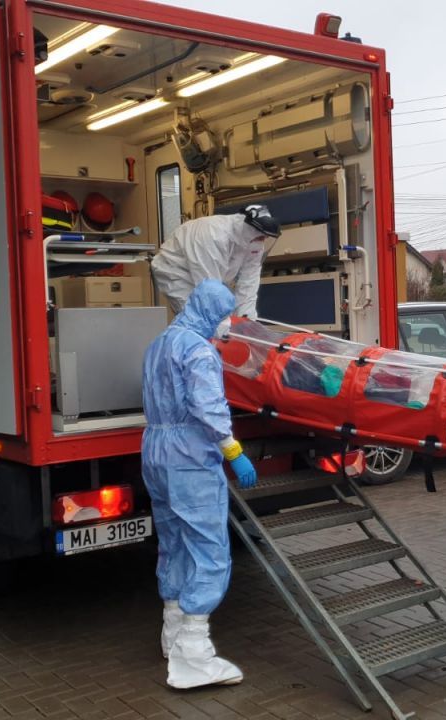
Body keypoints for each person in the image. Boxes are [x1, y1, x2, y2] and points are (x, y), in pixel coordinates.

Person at [142, 279, 259, 689]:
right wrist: (233, 451)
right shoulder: (198, 350)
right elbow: (208, 407)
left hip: (156, 451)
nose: (227, 322)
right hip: (190, 457)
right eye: (225, 314)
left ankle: (172, 633)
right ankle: (193, 654)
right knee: (209, 548)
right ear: (210, 311)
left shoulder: (159, 344)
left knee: (173, 541)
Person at [151, 205, 282, 330]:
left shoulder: (253, 241)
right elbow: (209, 290)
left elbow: (249, 282)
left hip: (209, 277)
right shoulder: (214, 235)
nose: (263, 240)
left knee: (223, 321)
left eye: (266, 237)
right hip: (177, 271)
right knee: (198, 320)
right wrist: (224, 329)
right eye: (261, 236)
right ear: (250, 229)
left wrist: (247, 322)